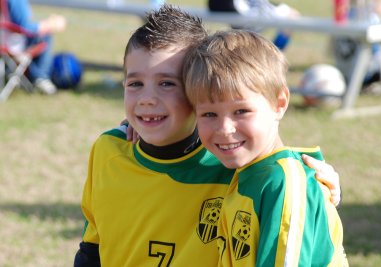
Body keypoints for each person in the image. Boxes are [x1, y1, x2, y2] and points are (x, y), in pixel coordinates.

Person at [74, 5, 342, 266]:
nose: (147, 99)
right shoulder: (108, 151)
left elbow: (279, 174)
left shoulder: (232, 163)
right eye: (135, 84)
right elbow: (91, 249)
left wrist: (319, 185)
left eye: (167, 83)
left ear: (198, 91)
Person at [183, 29, 348, 266]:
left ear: (279, 103)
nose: (224, 128)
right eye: (209, 114)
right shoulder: (247, 170)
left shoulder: (283, 183)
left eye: (241, 111)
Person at [6, 0, 66, 94]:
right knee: (46, 34)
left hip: (5, 43)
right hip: (9, 46)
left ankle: (27, 74)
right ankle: (40, 77)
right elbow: (24, 28)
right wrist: (49, 25)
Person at [208, 0, 299, 50]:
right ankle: (274, 53)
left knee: (292, 15)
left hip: (248, 10)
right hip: (244, 10)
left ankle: (273, 53)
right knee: (292, 15)